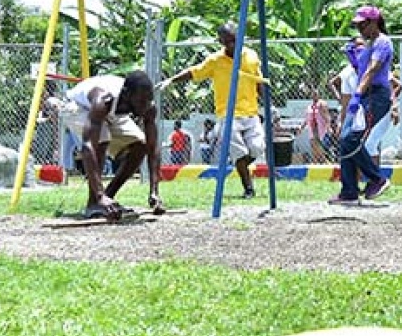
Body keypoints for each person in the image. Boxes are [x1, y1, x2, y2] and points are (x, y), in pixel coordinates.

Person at [159, 23, 268, 198]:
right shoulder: (215, 61)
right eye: (227, 42)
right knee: (238, 151)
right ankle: (248, 188)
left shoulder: (251, 56)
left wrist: (268, 103)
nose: (231, 45)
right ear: (221, 42)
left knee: (256, 148)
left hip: (251, 113)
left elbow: (258, 81)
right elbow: (194, 72)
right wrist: (172, 80)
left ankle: (241, 165)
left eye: (234, 40)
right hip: (228, 115)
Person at [59, 70, 165, 220]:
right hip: (78, 107)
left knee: (141, 144)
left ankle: (108, 197)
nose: (145, 106)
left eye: (148, 100)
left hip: (114, 113)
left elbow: (152, 148)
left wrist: (154, 192)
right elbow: (89, 147)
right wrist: (99, 195)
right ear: (127, 94)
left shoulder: (147, 106)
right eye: (141, 101)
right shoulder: (103, 98)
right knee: (102, 140)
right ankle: (94, 203)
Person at [330, 5, 393, 205]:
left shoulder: (383, 42)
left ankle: (377, 179)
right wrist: (356, 62)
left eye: (362, 25)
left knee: (351, 139)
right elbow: (363, 69)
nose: (359, 29)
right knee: (344, 138)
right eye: (357, 26)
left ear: (374, 22)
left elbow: (372, 71)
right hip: (364, 95)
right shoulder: (369, 43)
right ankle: (349, 191)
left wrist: (356, 95)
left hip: (374, 96)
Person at [365, 71, 402, 166]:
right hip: (374, 109)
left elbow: (397, 86)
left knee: (370, 144)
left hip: (385, 109)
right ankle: (375, 177)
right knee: (370, 144)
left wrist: (393, 106)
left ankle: (376, 178)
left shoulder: (380, 68)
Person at [303, 89, 333, 164]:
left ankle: (327, 163)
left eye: (316, 94)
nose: (314, 96)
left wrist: (329, 127)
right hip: (312, 130)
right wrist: (301, 127)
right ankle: (316, 165)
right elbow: (306, 119)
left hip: (320, 130)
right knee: (314, 150)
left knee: (319, 150)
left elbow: (327, 117)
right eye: (313, 94)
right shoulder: (309, 107)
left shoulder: (322, 104)